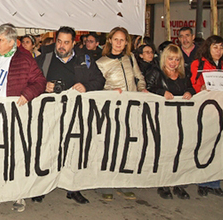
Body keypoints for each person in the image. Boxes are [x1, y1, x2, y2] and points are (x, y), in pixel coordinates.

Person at [0, 24, 45, 213]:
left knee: (16, 155)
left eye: (0, 40)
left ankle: (18, 194)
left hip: (15, 115)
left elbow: (40, 81)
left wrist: (27, 94)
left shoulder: (25, 59)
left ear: (11, 42)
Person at [33, 26, 104, 205]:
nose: (62, 46)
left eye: (66, 42)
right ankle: (42, 187)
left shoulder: (85, 59)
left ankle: (73, 188)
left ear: (73, 43)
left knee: (73, 150)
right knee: (47, 149)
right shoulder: (45, 58)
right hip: (50, 112)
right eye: (59, 41)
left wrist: (86, 87)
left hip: (76, 113)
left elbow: (100, 80)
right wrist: (43, 85)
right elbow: (31, 79)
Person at [96, 26, 145, 201]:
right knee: (110, 145)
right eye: (115, 39)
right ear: (109, 40)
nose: (118, 43)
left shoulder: (130, 58)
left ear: (126, 43)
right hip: (111, 110)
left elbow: (139, 77)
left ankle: (124, 181)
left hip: (131, 109)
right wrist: (110, 92)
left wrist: (142, 89)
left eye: (122, 40)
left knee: (128, 145)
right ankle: (105, 183)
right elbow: (97, 88)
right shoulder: (101, 62)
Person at [146, 44, 195, 200]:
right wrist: (162, 92)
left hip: (181, 118)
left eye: (176, 59)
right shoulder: (156, 72)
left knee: (180, 150)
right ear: (164, 59)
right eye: (170, 59)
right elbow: (147, 89)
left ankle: (178, 183)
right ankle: (163, 183)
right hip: (162, 118)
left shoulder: (183, 74)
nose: (173, 62)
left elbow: (191, 87)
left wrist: (189, 92)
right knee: (164, 151)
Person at [187, 34, 223, 197]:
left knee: (219, 147)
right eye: (215, 47)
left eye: (221, 48)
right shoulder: (198, 64)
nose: (218, 51)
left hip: (222, 109)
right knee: (204, 146)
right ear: (208, 48)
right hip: (205, 110)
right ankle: (202, 181)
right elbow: (193, 83)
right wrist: (201, 88)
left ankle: (214, 182)